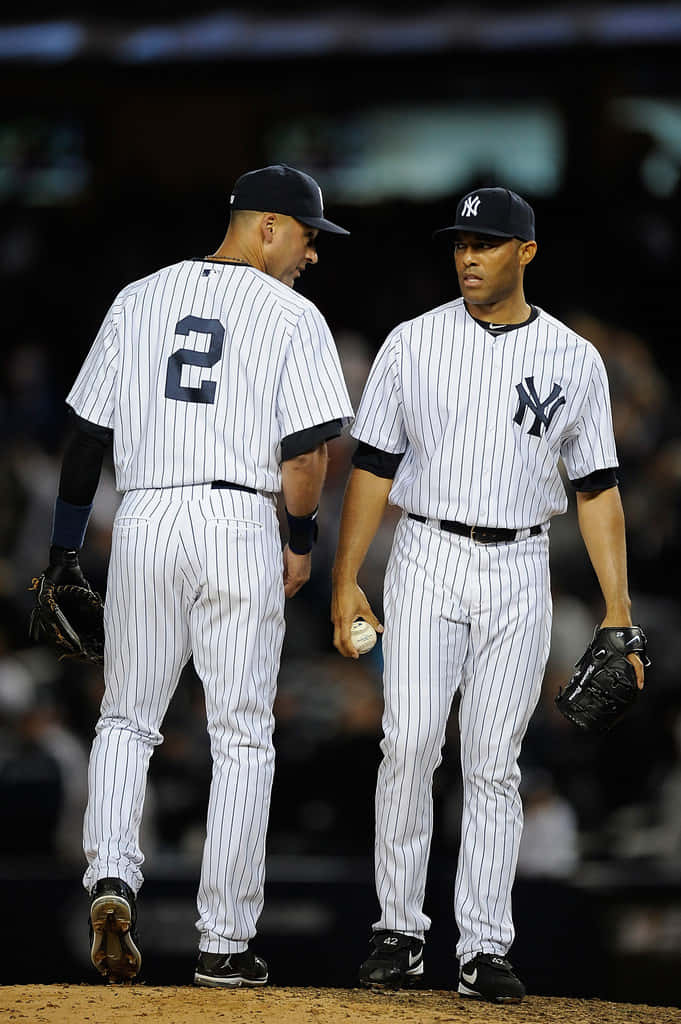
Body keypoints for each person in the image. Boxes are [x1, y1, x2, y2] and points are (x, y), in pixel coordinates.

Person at [38, 163, 353, 986]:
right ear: (268, 227)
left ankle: (110, 876)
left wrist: (65, 550)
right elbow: (308, 453)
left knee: (125, 720)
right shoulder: (291, 314)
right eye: (309, 236)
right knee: (242, 734)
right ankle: (223, 943)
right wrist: (298, 534)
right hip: (237, 517)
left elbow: (83, 438)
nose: (312, 255)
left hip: (142, 514)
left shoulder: (137, 296)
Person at [331, 187, 645, 1004]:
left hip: (519, 565)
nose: (468, 256)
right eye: (460, 242)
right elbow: (370, 465)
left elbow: (599, 488)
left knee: (494, 761)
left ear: (525, 252)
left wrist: (616, 609)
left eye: (486, 242)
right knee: (408, 744)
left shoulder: (574, 357)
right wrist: (346, 578)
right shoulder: (412, 341)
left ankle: (483, 948)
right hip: (426, 550)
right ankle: (397, 932)